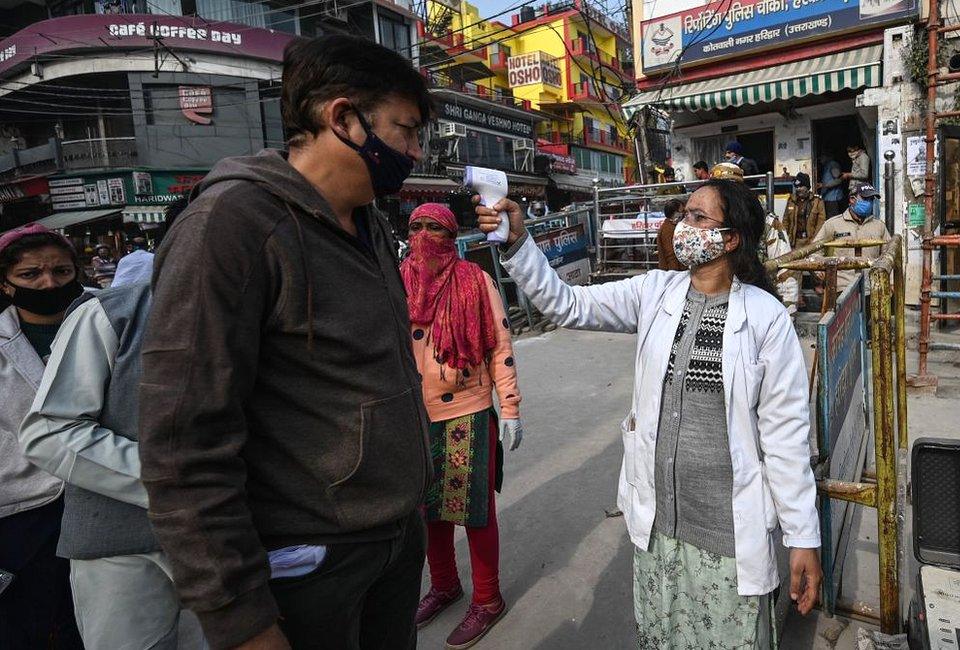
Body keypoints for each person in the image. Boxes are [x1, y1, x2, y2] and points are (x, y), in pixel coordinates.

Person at [138, 34, 434, 650]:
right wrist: (240, 618)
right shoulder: (232, 226)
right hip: (308, 561)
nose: (415, 152)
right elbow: (182, 443)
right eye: (406, 131)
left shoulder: (370, 224)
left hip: (393, 541)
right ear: (344, 118)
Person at [476, 179, 822, 649]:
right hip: (659, 527)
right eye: (685, 215)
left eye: (700, 218)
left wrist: (802, 536)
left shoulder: (765, 318)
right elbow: (567, 303)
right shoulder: (655, 291)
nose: (684, 226)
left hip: (727, 534)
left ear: (731, 238)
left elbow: (785, 436)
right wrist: (519, 242)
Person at [18, 201, 206, 650]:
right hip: (121, 547)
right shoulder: (112, 313)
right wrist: (177, 481)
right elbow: (50, 433)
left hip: (230, 538)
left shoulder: (275, 314)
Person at [400, 203, 522, 649]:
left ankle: (488, 600)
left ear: (451, 236)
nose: (424, 235)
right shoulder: (399, 281)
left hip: (467, 411)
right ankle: (445, 585)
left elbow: (500, 345)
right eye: (416, 227)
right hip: (416, 415)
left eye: (434, 227)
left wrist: (509, 406)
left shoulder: (475, 280)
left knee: (474, 514)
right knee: (429, 512)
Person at [0, 223, 84, 650]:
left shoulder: (106, 322)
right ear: (6, 284)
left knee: (85, 621)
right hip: (22, 509)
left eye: (61, 272)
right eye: (30, 275)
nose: (48, 283)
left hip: (96, 496)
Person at [711, 163, 798, 314]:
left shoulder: (767, 223)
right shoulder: (704, 227)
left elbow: (785, 269)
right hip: (715, 305)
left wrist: (787, 314)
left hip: (756, 305)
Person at [813, 182, 891, 294]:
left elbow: (888, 255)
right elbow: (815, 251)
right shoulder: (833, 224)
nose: (868, 203)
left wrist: (890, 282)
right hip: (841, 289)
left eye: (871, 199)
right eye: (865, 199)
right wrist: (820, 274)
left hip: (872, 290)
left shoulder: (879, 226)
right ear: (852, 199)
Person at [783, 172, 826, 250]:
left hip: (811, 242)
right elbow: (785, 222)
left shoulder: (817, 201)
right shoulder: (791, 201)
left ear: (807, 187)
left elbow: (821, 224)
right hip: (794, 243)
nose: (798, 189)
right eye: (796, 186)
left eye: (801, 186)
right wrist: (785, 240)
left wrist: (814, 241)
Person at [656, 198, 686, 272]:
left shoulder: (672, 226)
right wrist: (675, 272)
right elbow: (670, 254)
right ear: (675, 213)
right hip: (673, 270)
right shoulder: (668, 229)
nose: (684, 214)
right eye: (682, 211)